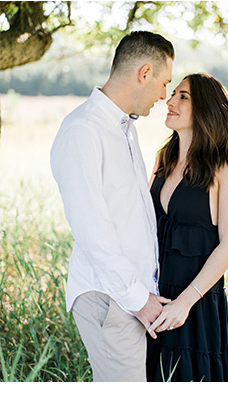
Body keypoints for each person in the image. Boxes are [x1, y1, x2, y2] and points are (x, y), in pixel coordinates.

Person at [50, 30, 174, 382]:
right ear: (144, 73)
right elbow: (93, 230)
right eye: (164, 83)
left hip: (127, 295)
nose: (165, 95)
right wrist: (138, 298)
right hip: (111, 297)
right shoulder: (83, 130)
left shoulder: (122, 127)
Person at [142, 73, 228, 381]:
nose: (170, 100)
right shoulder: (164, 157)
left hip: (194, 300)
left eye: (183, 96)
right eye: (172, 93)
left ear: (207, 108)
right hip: (152, 297)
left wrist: (184, 303)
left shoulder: (227, 164)